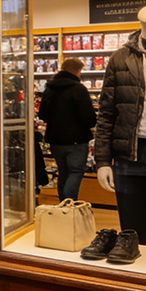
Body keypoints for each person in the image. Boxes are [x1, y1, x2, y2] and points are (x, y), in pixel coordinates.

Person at [95, 4, 146, 250]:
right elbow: (106, 113)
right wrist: (102, 161)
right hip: (129, 155)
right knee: (130, 235)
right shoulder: (120, 58)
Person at [38, 57, 96, 201]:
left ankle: (62, 205)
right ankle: (68, 205)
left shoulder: (49, 89)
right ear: (77, 71)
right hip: (76, 140)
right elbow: (88, 118)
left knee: (63, 172)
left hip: (55, 140)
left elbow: (43, 114)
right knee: (76, 171)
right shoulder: (79, 89)